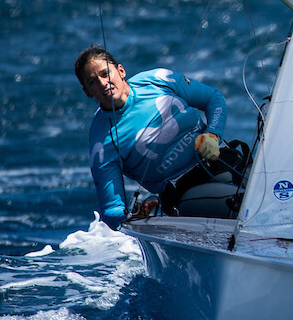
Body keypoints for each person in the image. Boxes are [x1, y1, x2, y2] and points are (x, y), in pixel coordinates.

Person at [75, 45, 230, 229]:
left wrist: (213, 134)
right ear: (87, 92)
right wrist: (133, 217)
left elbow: (213, 99)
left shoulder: (158, 79)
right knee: (238, 204)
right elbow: (111, 209)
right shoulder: (102, 141)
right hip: (185, 192)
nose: (102, 83)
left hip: (223, 161)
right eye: (92, 82)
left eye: (105, 74)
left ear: (121, 71)